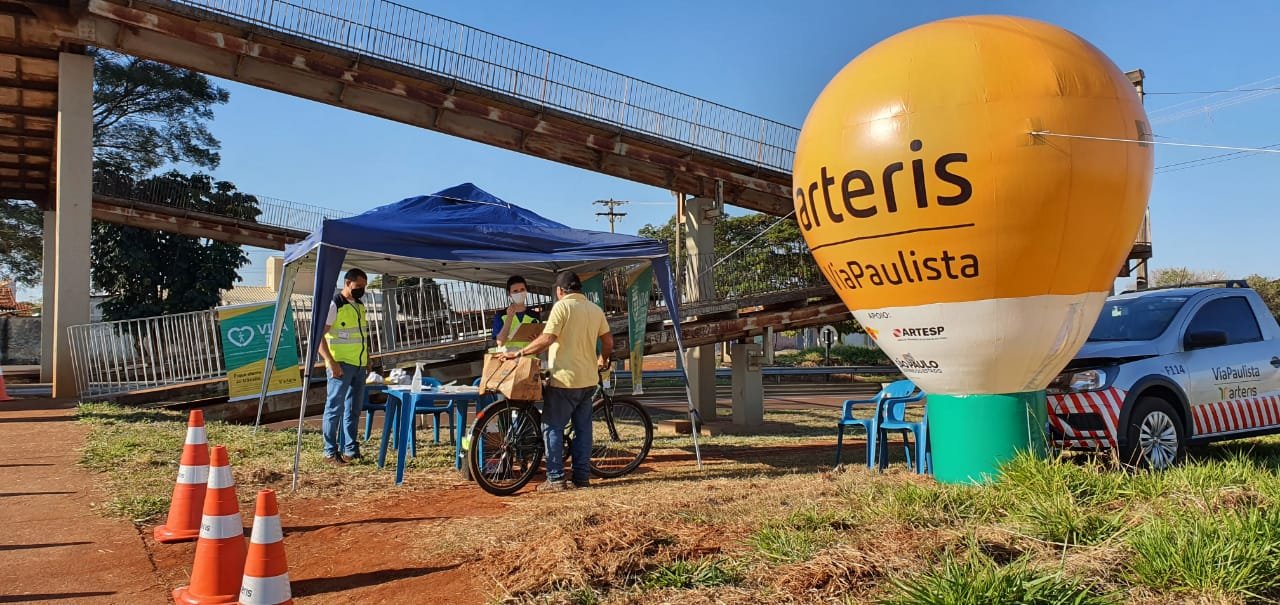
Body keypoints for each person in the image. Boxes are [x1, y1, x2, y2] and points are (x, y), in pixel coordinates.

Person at [502, 271, 612, 491]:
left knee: (552, 427)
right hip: (588, 379)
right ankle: (581, 478)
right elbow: (608, 341)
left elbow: (548, 338)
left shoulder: (561, 307)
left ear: (560, 291)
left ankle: (555, 478)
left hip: (564, 379)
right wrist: (603, 358)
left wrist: (520, 353)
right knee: (583, 430)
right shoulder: (595, 309)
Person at [317, 268, 370, 465]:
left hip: (359, 364)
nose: (361, 290)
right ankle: (330, 452)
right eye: (358, 287)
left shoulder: (359, 305)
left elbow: (362, 336)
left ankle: (351, 449)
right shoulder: (335, 305)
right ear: (347, 283)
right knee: (334, 408)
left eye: (364, 287)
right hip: (341, 365)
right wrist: (331, 362)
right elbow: (319, 337)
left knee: (353, 410)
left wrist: (368, 359)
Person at [492, 275, 541, 350]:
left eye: (522, 289)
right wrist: (509, 317)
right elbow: (500, 342)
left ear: (526, 291)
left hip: (529, 359)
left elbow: (540, 342)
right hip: (507, 360)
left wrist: (537, 340)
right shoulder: (501, 315)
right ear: (509, 294)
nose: (519, 293)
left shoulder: (535, 315)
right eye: (515, 291)